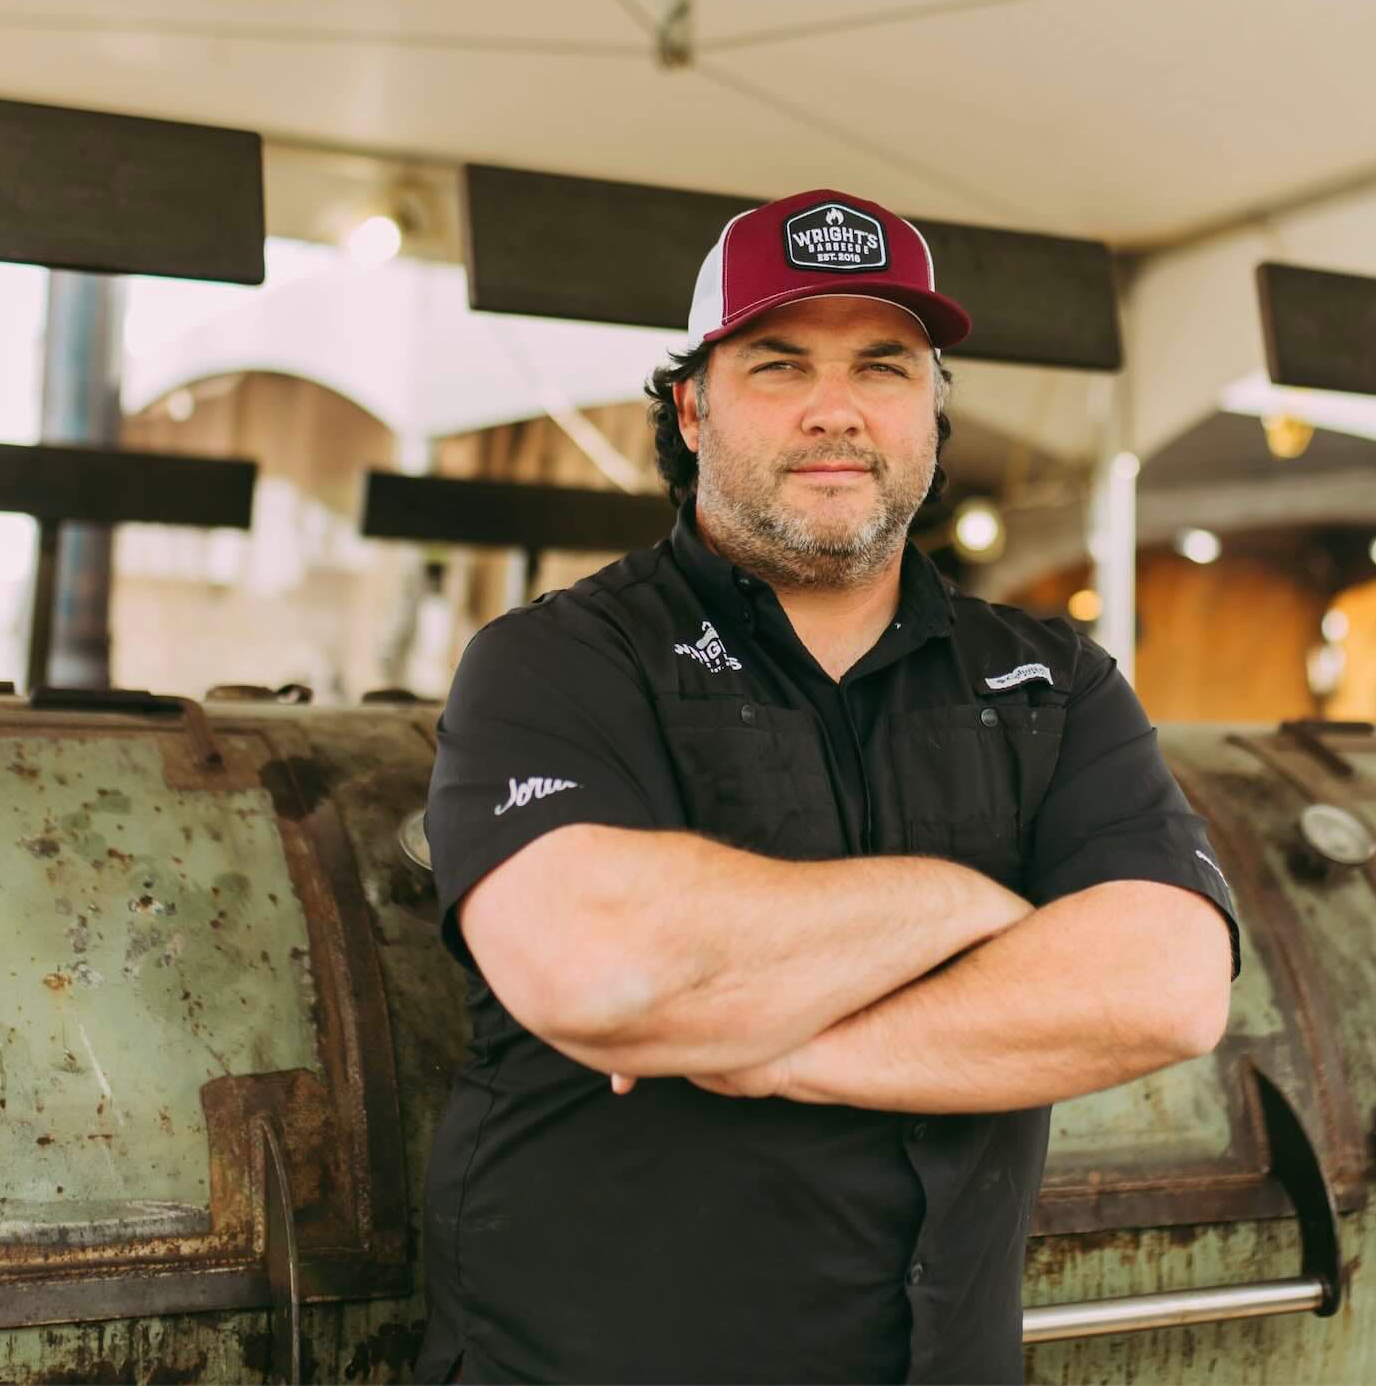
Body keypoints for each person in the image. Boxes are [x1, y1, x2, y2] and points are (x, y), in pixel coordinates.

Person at [414, 188, 1240, 1386]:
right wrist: (971, 912)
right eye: (780, 364)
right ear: (694, 406)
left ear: (933, 411)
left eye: (885, 367)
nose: (836, 411)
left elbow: (1165, 989)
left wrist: (762, 1048)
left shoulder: (1052, 679)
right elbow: (603, 964)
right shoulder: (558, 659)